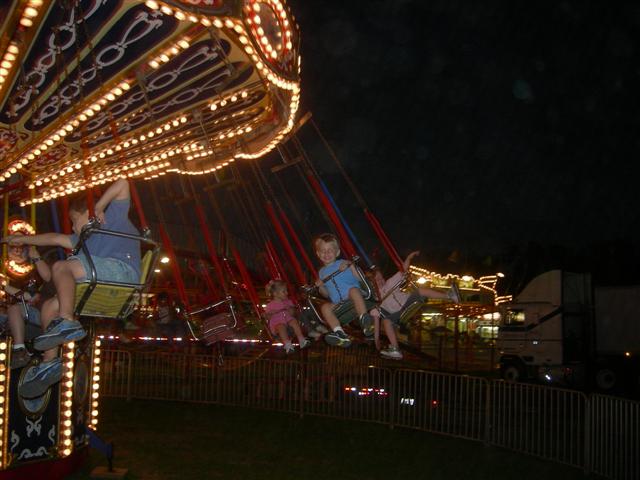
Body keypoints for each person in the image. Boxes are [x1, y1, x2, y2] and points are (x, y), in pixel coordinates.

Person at [1, 178, 140, 398]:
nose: (73, 227)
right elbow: (54, 238)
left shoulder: (112, 217)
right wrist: (22, 240)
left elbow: (123, 182)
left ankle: (67, 320)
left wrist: (99, 206)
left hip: (120, 272)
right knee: (49, 307)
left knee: (61, 266)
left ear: (87, 214)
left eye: (74, 220)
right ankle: (49, 363)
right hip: (98, 281)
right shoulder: (80, 240)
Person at [371, 251, 461, 360]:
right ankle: (395, 349)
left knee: (421, 291)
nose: (380, 281)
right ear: (373, 283)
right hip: (398, 315)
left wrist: (409, 258)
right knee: (386, 321)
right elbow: (376, 321)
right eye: (377, 280)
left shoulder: (390, 283)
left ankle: (450, 296)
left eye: (381, 278)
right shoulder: (376, 299)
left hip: (407, 302)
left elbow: (402, 271)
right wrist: (376, 340)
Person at [313, 233, 373, 348]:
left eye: (330, 250)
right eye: (323, 251)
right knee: (325, 307)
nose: (326, 253)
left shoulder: (343, 263)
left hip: (354, 295)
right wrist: (321, 286)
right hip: (339, 302)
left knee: (353, 290)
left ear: (337, 252)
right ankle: (339, 333)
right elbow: (326, 294)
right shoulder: (321, 272)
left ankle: (364, 319)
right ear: (318, 254)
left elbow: (360, 278)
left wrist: (351, 266)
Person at [1, 243, 52, 369]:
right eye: (13, 247)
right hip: (18, 310)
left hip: (38, 311)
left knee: (15, 309)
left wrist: (5, 286)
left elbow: (31, 297)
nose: (17, 250)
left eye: (20, 247)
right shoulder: (7, 270)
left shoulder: (36, 271)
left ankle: (19, 350)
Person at [264, 279, 310, 354]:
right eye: (284, 291)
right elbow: (267, 317)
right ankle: (287, 344)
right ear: (275, 294)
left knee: (294, 321)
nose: (287, 293)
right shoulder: (270, 305)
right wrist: (270, 314)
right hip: (277, 325)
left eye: (286, 291)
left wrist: (290, 309)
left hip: (288, 322)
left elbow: (292, 313)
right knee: (281, 326)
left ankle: (301, 339)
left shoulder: (288, 302)